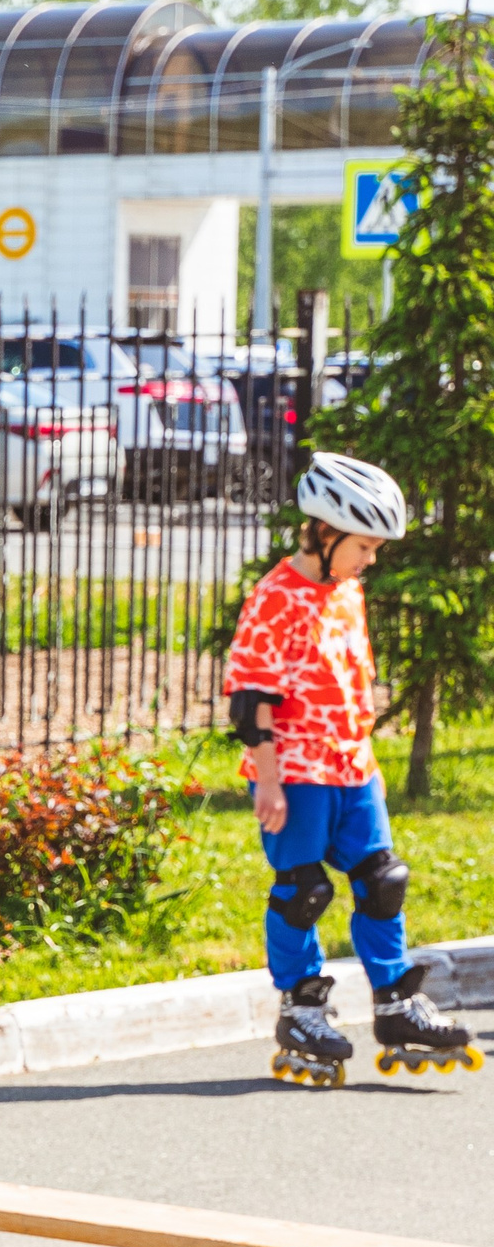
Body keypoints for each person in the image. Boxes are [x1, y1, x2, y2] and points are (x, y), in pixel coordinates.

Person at [225, 454, 476, 1086]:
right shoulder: (275, 598)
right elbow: (252, 700)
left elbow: (351, 684)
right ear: (324, 533)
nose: (370, 559)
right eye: (363, 546)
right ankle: (302, 1010)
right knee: (303, 890)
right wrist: (268, 779)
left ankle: (396, 1005)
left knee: (383, 879)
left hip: (351, 767)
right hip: (296, 771)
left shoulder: (347, 593)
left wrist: (370, 761)